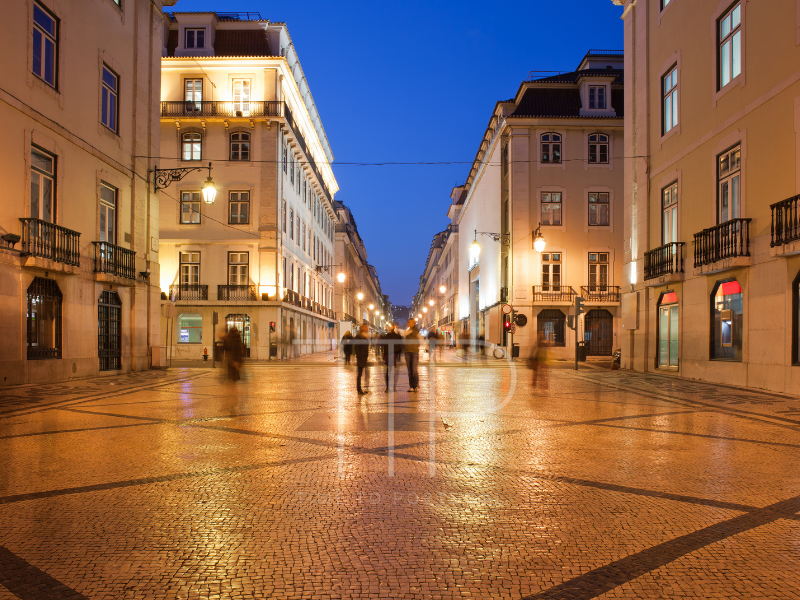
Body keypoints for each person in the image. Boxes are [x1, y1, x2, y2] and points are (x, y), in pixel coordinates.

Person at [380, 323, 403, 391]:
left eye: (390, 326)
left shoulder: (394, 335)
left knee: (390, 370)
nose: (389, 327)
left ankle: (390, 387)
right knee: (389, 370)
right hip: (389, 354)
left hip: (392, 354)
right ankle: (389, 386)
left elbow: (398, 344)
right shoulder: (388, 335)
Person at [404, 318, 421, 391]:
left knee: (414, 370)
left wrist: (416, 345)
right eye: (408, 322)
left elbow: (420, 339)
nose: (409, 324)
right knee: (409, 371)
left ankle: (416, 385)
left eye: (411, 322)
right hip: (407, 351)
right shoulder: (407, 330)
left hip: (414, 352)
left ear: (414, 323)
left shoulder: (417, 331)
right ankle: (411, 386)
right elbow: (404, 335)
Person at [354, 324, 370, 394]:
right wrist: (359, 355)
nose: (367, 328)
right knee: (360, 374)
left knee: (366, 373)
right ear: (362, 328)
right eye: (366, 327)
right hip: (361, 357)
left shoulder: (365, 336)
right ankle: (359, 389)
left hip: (364, 357)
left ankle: (365, 388)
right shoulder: (359, 336)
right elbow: (357, 347)